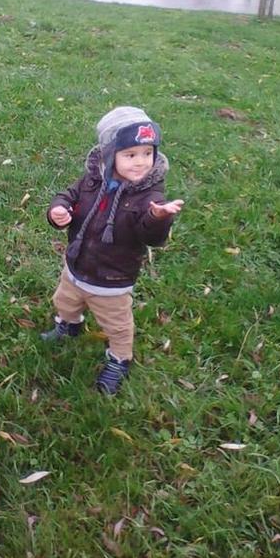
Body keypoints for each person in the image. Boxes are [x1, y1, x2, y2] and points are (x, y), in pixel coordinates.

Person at [42, 106, 183, 395]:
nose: (141, 162)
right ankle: (69, 325)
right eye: (130, 155)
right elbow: (68, 195)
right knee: (65, 301)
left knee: (117, 326)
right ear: (109, 154)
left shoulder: (149, 196)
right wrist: (58, 209)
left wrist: (158, 218)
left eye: (147, 153)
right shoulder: (92, 179)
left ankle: (120, 359)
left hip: (112, 280)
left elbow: (152, 237)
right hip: (76, 266)